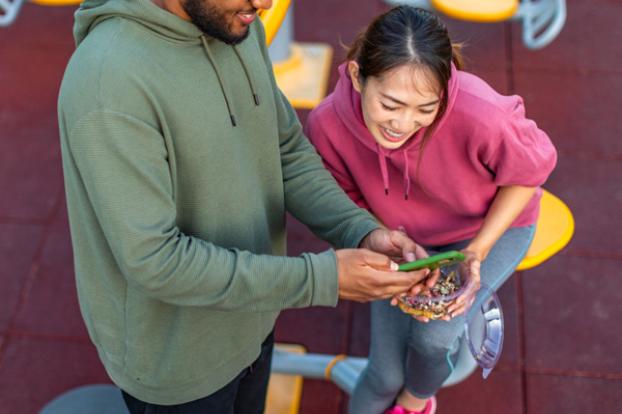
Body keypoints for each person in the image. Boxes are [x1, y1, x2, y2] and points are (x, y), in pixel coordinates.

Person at [57, 0, 433, 413]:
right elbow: (155, 260)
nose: (265, 3)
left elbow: (283, 149)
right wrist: (322, 278)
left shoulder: (236, 23)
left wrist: (359, 230)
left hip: (255, 315)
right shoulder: (108, 83)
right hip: (178, 364)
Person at [305, 5, 557, 414]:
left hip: (484, 226)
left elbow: (529, 175)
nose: (404, 124)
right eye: (391, 105)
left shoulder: (481, 113)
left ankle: (416, 401)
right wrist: (391, 242)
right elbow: (347, 201)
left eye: (426, 109)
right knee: (383, 373)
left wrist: (477, 251)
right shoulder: (327, 125)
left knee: (433, 338)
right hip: (399, 234)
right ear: (356, 76)